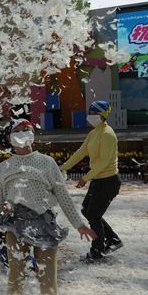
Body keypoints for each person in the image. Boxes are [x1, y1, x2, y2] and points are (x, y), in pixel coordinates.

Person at [0, 119, 96, 295]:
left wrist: (79, 224)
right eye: (17, 130)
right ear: (9, 138)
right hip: (15, 223)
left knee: (47, 276)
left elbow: (63, 195)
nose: (22, 133)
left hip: (45, 224)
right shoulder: (4, 167)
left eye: (26, 129)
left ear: (34, 136)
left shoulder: (47, 163)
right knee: (16, 270)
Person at [60, 100, 122, 262]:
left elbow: (102, 162)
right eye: (90, 112)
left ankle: (97, 251)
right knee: (87, 210)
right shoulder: (94, 133)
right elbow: (81, 152)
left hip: (109, 181)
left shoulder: (108, 134)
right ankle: (113, 240)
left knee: (93, 215)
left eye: (95, 113)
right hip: (98, 180)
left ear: (103, 115)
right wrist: (63, 167)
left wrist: (85, 178)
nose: (91, 116)